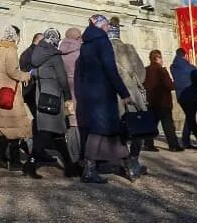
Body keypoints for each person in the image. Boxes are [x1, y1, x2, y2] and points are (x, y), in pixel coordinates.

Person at [74, 14, 137, 183]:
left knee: (110, 129)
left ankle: (127, 164)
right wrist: (124, 93)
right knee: (99, 130)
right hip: (103, 93)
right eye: (107, 25)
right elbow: (111, 70)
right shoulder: (103, 43)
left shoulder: (86, 45)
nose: (109, 28)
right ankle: (90, 169)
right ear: (101, 26)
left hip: (90, 93)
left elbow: (81, 73)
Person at [106, 16, 150, 178]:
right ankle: (133, 161)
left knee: (118, 130)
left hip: (111, 96)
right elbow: (141, 73)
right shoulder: (128, 48)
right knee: (138, 129)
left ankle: (121, 162)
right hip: (131, 95)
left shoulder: (103, 49)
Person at [27, 28, 72, 178]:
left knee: (57, 133)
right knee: (47, 132)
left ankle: (70, 166)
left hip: (41, 94)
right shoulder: (54, 55)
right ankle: (30, 164)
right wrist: (67, 95)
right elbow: (62, 78)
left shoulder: (37, 53)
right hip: (53, 95)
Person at [0, 25, 32, 173]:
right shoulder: (11, 50)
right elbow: (12, 71)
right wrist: (26, 76)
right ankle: (14, 161)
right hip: (11, 93)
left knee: (6, 127)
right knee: (16, 127)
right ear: (15, 36)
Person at [143, 49, 182, 152]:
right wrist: (175, 83)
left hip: (150, 101)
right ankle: (173, 145)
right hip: (163, 101)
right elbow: (169, 85)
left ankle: (148, 144)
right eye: (161, 58)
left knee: (151, 124)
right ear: (158, 58)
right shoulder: (161, 70)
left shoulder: (145, 70)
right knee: (168, 125)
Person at [171, 48, 197, 149]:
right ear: (185, 55)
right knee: (191, 119)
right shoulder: (191, 68)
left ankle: (193, 140)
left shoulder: (173, 67)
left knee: (189, 118)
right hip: (191, 95)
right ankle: (193, 141)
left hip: (180, 96)